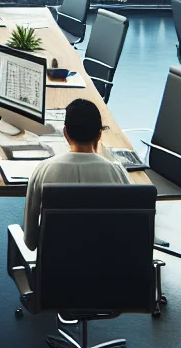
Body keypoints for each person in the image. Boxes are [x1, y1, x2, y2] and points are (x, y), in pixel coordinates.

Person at [22, 98, 130, 250]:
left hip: (56, 264)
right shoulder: (117, 173)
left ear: (65, 133)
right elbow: (129, 232)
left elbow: (30, 242)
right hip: (106, 263)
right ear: (99, 135)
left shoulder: (43, 170)